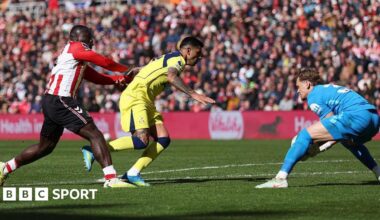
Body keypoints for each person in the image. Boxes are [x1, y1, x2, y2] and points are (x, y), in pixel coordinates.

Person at [0, 25, 138, 188]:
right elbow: (103, 61)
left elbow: (94, 76)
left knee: (45, 147)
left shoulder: (73, 56)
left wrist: (117, 78)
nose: (92, 42)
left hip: (52, 100)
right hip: (61, 99)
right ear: (81, 39)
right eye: (89, 39)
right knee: (95, 134)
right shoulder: (77, 47)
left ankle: (5, 168)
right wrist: (127, 69)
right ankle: (111, 178)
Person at [81, 36, 215, 186]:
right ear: (188, 51)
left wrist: (135, 73)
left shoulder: (169, 57)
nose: (200, 57)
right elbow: (171, 76)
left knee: (163, 138)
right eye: (198, 53)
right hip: (136, 97)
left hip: (145, 99)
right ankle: (94, 150)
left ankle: (133, 173)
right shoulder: (178, 60)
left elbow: (145, 69)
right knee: (141, 140)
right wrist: (193, 93)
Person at [256, 67, 380, 188]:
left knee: (303, 136)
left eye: (298, 87)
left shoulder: (313, 96)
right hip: (373, 118)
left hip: (356, 116)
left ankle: (280, 179)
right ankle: (378, 172)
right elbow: (335, 125)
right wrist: (326, 144)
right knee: (350, 143)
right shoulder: (326, 89)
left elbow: (329, 119)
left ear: (307, 84)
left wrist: (320, 146)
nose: (297, 91)